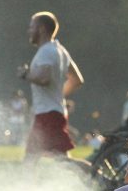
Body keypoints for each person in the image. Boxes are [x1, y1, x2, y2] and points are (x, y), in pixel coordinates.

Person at [20, 11, 84, 161]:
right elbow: (77, 80)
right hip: (52, 111)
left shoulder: (46, 51)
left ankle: (100, 176)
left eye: (32, 27)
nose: (29, 31)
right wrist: (57, 96)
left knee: (60, 160)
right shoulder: (60, 50)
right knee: (35, 158)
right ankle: (98, 176)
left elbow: (44, 79)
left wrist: (26, 74)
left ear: (41, 29)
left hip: (48, 114)